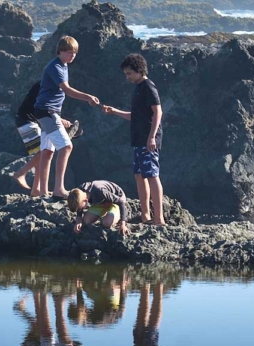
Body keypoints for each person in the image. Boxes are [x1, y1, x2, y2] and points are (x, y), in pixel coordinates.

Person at [102, 53, 166, 226]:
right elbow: (135, 116)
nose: (127, 77)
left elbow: (158, 111)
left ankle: (159, 219)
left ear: (139, 70)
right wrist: (115, 111)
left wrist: (152, 137)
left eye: (129, 73)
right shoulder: (138, 88)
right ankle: (145, 215)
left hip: (148, 140)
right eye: (126, 74)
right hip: (139, 140)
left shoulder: (148, 86)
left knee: (152, 175)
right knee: (139, 175)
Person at [34, 36, 100, 200]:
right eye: (69, 52)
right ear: (60, 51)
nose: (72, 56)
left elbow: (56, 95)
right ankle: (58, 189)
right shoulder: (55, 66)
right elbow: (67, 90)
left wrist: (59, 116)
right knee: (66, 147)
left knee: (47, 152)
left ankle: (42, 191)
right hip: (46, 112)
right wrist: (88, 97)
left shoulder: (63, 66)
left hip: (46, 111)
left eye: (75, 53)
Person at [12, 81, 82, 197]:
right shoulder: (45, 87)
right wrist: (59, 120)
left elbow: (45, 109)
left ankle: (36, 189)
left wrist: (58, 119)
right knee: (43, 152)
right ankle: (21, 173)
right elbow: (43, 109)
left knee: (44, 152)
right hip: (26, 120)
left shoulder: (45, 84)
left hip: (28, 120)